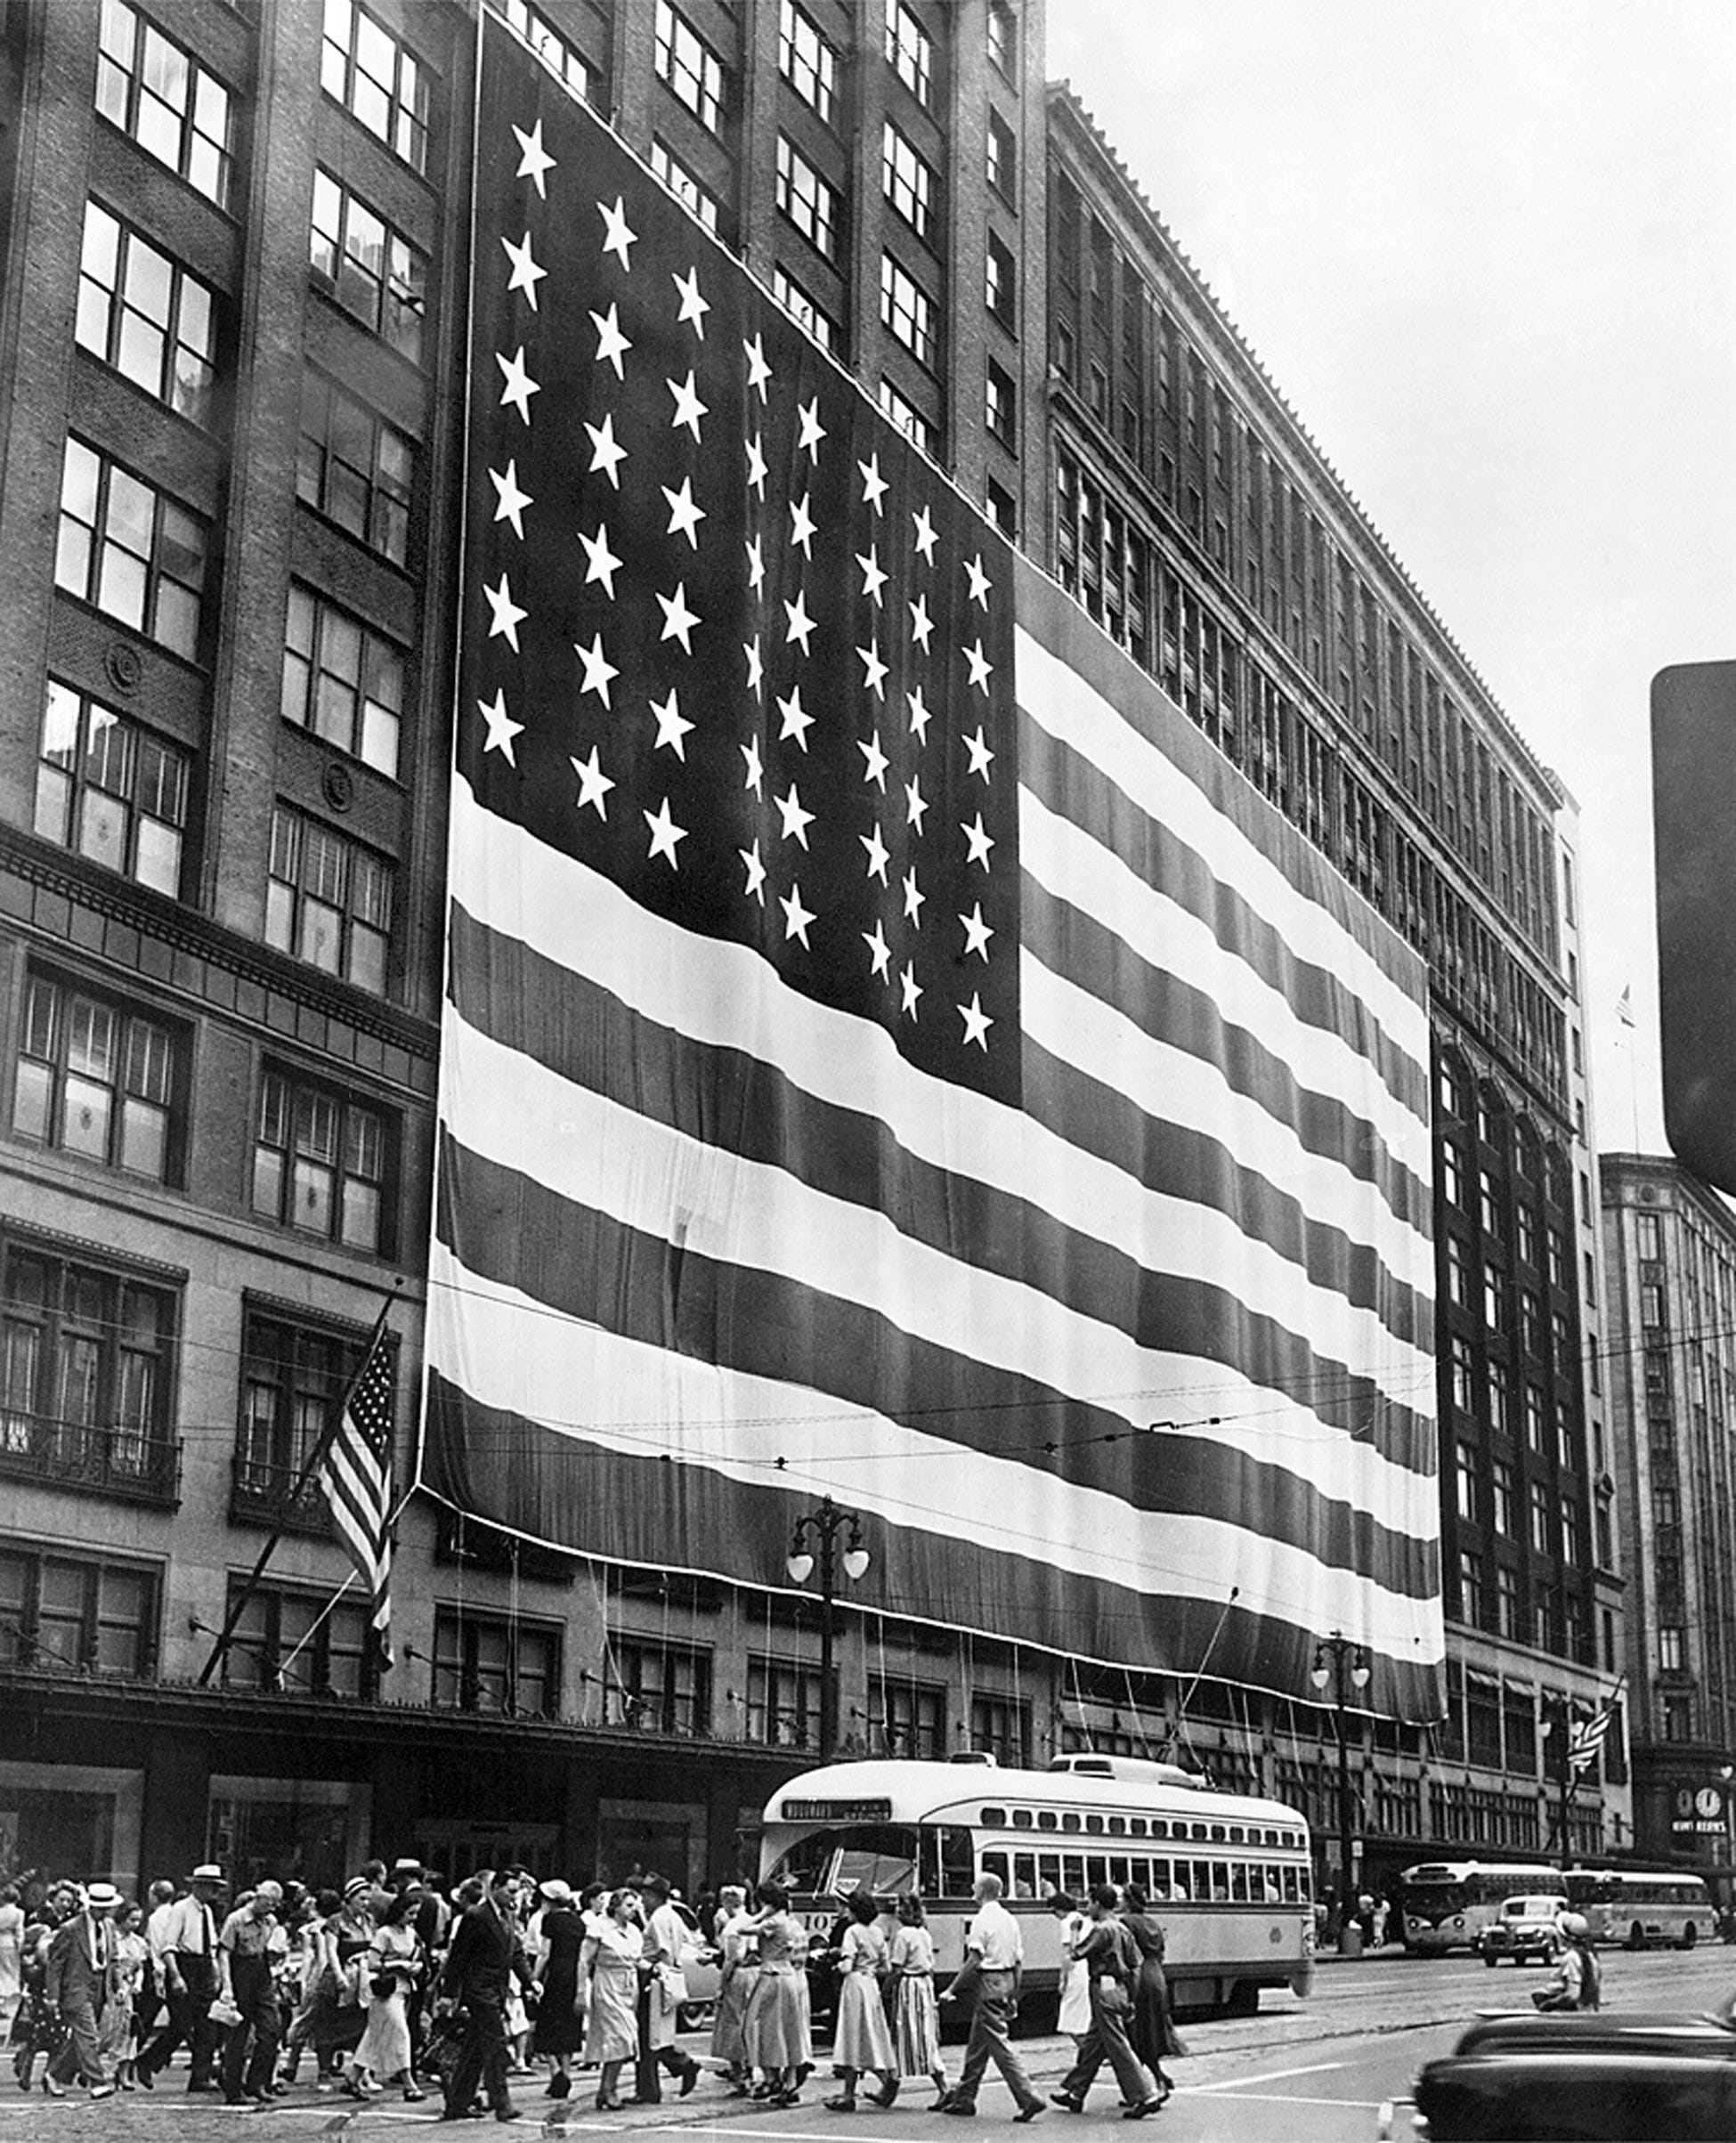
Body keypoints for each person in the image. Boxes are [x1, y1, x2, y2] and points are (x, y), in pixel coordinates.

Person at [437, 1866, 539, 2124]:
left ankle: (457, 2103)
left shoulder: (509, 1916)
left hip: (496, 1989)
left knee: (474, 2049)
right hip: (479, 1991)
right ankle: (501, 2103)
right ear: (495, 1888)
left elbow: (516, 1953)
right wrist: (449, 1994)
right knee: (496, 2044)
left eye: (516, 1892)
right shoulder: (476, 1915)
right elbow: (458, 1957)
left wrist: (530, 1981)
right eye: (510, 1891)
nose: (514, 1897)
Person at [937, 1871, 1043, 2122]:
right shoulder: (1009, 1919)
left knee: (999, 2044)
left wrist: (952, 1989)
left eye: (974, 1888)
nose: (971, 1892)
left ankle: (1029, 2097)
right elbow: (1018, 1961)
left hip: (988, 1982)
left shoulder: (981, 1920)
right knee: (978, 2043)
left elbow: (974, 1960)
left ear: (983, 1891)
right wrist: (1014, 1993)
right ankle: (965, 2097)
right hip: (1007, 1980)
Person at [1049, 1885, 1161, 2119]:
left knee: (1117, 2044)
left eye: (1089, 1902)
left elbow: (1075, 1954)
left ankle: (1145, 2095)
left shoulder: (1102, 1930)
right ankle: (1075, 2092)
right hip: (1119, 1988)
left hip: (1103, 1987)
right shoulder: (1122, 1929)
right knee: (1094, 2043)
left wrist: (1074, 1932)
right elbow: (1136, 1965)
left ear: (1098, 1904)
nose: (1087, 1907)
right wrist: (1131, 1997)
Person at [136, 1862, 228, 2091]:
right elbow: (168, 1946)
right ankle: (148, 2061)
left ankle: (200, 2077)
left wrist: (215, 1973)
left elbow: (211, 1947)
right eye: (211, 1887)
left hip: (203, 1967)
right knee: (182, 2024)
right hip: (185, 1965)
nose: (214, 1892)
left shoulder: (207, 1912)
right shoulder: (180, 1909)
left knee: (208, 2025)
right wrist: (176, 1976)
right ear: (199, 1886)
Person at [342, 1888, 424, 2101]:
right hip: (385, 1991)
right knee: (400, 2033)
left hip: (403, 1988)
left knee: (374, 2035)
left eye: (416, 1913)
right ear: (399, 1911)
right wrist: (398, 1964)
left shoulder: (411, 1933)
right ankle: (409, 2083)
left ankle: (353, 2078)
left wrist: (415, 1966)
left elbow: (414, 1955)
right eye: (410, 1913)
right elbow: (372, 1963)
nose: (413, 1918)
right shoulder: (384, 1933)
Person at [42, 1880, 119, 2098]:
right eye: (100, 1908)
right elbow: (55, 1963)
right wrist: (52, 1995)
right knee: (89, 2035)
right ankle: (97, 2082)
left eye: (107, 1908)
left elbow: (113, 1958)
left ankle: (54, 2074)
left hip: (99, 1986)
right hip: (76, 1987)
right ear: (90, 1906)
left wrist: (118, 1986)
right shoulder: (71, 1928)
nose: (104, 1912)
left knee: (80, 2038)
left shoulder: (109, 1926)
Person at [217, 1879, 288, 2105]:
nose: (272, 1909)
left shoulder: (270, 1922)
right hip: (240, 1972)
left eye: (276, 1905)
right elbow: (224, 1954)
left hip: (261, 1973)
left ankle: (257, 2083)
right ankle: (233, 2089)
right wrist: (227, 1986)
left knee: (271, 2029)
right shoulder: (236, 1920)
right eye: (270, 1903)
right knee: (238, 2035)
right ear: (259, 1898)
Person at [739, 1880, 810, 2106]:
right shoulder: (789, 1922)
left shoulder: (772, 1922)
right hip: (789, 1976)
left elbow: (741, 1928)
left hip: (771, 1975)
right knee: (788, 2031)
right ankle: (789, 2082)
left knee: (756, 2028)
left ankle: (773, 2077)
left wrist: (762, 1913)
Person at [826, 1890, 897, 2110]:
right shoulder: (877, 1932)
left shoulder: (852, 1932)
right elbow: (886, 1967)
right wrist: (871, 1968)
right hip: (871, 1984)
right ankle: (886, 2079)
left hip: (854, 1985)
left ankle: (848, 2095)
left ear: (855, 1911)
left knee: (851, 2036)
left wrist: (838, 1965)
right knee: (870, 2034)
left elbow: (847, 1966)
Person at [635, 1872, 702, 2102]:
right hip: (668, 1977)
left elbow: (664, 1952)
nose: (643, 1900)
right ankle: (651, 2088)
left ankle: (677, 2069)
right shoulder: (673, 1916)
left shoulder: (658, 1919)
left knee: (648, 2035)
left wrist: (660, 1975)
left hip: (655, 1977)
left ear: (656, 1896)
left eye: (646, 1895)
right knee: (658, 2035)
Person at [1119, 1886, 1182, 2106]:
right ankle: (1149, 2084)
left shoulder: (1126, 1922)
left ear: (1128, 1901)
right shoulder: (1152, 1922)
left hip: (1140, 1978)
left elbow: (1127, 1955)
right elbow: (1161, 1953)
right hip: (1156, 1976)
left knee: (1138, 2034)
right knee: (1150, 2031)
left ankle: (1153, 2084)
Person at [581, 1887, 644, 2110]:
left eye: (635, 1906)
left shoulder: (634, 1931)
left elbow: (636, 1960)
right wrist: (581, 1990)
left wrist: (654, 1968)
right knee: (620, 2037)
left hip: (628, 1986)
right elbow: (584, 1960)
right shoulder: (600, 1927)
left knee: (624, 2039)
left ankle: (604, 2090)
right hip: (607, 1984)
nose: (633, 1910)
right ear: (615, 1906)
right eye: (629, 1905)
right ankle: (609, 2089)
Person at [887, 1892, 949, 2108]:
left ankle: (942, 2088)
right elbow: (930, 1965)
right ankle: (890, 2087)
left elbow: (897, 1967)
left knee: (905, 2034)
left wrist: (886, 1988)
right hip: (924, 1986)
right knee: (924, 2035)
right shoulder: (924, 1934)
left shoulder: (903, 1935)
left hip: (909, 1986)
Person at [532, 1879, 586, 2099]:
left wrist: (533, 1978)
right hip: (574, 1976)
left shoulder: (550, 1920)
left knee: (548, 2022)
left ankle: (555, 2070)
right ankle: (566, 2070)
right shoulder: (578, 1922)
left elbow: (545, 1953)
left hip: (555, 1976)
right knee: (569, 2024)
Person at [711, 1885, 758, 2090]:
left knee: (733, 2023)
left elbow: (732, 1960)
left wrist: (721, 1987)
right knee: (750, 2022)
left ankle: (739, 2072)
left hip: (738, 1977)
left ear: (728, 1904)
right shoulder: (754, 1921)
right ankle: (750, 2068)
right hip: (755, 1974)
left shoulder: (731, 1928)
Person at [101, 1899, 149, 2090]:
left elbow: (140, 1968)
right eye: (132, 1920)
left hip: (129, 1989)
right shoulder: (112, 1939)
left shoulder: (138, 1942)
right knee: (110, 2030)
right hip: (112, 1989)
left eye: (138, 1920)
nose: (135, 1924)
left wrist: (137, 1984)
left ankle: (123, 2073)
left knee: (128, 2033)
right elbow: (113, 1966)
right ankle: (106, 2071)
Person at [1533, 1913, 1602, 2012]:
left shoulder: (1572, 1958)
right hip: (1589, 2012)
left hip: (1574, 2015)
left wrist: (1548, 2004)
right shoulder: (1591, 1958)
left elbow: (1573, 1995)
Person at [1048, 1895, 1091, 2050]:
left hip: (1075, 1972)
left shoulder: (1067, 1922)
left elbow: (1068, 1954)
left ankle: (1087, 2051)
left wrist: (1063, 1980)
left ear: (1060, 1909)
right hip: (1086, 1969)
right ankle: (1089, 2051)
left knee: (1069, 2019)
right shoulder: (1084, 1920)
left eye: (1054, 1912)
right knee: (1082, 2017)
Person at [0, 1884, 24, 2039]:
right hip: (9, 1943)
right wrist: (19, 1947)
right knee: (10, 1971)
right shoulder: (18, 1913)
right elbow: (19, 1932)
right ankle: (6, 1999)